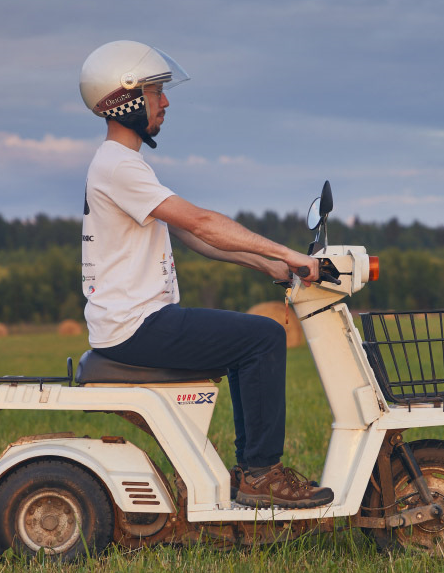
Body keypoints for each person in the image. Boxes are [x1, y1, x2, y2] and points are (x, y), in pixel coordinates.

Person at [78, 40, 334, 509]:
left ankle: (252, 472)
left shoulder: (123, 165)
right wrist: (292, 253)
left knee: (247, 340)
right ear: (127, 97)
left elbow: (191, 237)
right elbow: (201, 222)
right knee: (262, 339)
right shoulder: (119, 166)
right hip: (137, 325)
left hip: (133, 322)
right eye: (157, 92)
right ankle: (260, 474)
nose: (166, 102)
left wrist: (270, 265)